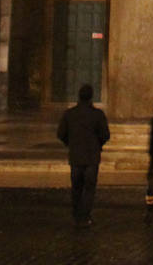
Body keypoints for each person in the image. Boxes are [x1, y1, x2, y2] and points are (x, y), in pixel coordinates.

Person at [56, 83, 110, 227]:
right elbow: (105, 135)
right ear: (91, 97)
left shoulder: (70, 114)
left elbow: (61, 134)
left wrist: (71, 144)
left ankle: (76, 215)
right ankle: (85, 216)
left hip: (76, 156)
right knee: (89, 188)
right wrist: (97, 145)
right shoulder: (98, 115)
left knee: (76, 187)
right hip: (92, 157)